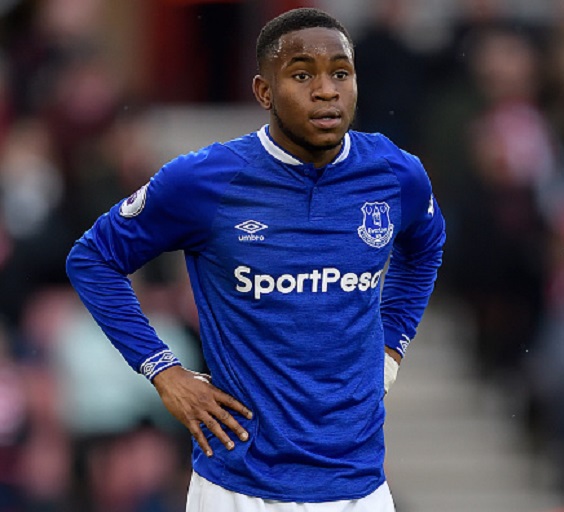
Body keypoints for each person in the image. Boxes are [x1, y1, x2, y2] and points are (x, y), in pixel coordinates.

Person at [65, 7, 445, 512]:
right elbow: (93, 259)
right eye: (303, 74)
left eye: (340, 72)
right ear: (265, 92)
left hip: (359, 488)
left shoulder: (396, 175)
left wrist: (393, 342)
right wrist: (163, 370)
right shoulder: (203, 182)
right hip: (237, 487)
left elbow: (425, 247)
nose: (327, 90)